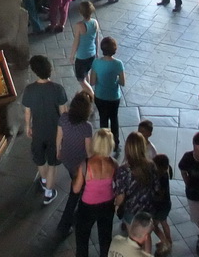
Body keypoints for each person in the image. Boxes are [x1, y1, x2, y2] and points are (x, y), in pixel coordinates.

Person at [22, 54, 69, 204]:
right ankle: (49, 193)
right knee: (53, 163)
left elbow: (27, 111)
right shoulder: (58, 89)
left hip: (38, 131)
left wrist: (28, 126)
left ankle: (43, 180)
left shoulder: (29, 89)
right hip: (55, 133)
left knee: (40, 159)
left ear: (35, 71)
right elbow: (64, 113)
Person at [72, 128, 119, 257]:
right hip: (108, 204)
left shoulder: (86, 164)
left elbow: (76, 189)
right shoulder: (113, 163)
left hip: (88, 206)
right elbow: (118, 184)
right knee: (105, 238)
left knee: (82, 237)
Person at [56, 92, 94, 234]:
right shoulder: (87, 127)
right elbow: (89, 151)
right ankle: (65, 224)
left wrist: (58, 151)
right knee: (75, 193)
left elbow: (59, 136)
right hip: (79, 164)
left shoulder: (64, 118)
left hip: (67, 158)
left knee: (76, 185)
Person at [114, 133, 160, 235]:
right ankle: (146, 251)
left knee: (134, 237)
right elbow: (156, 187)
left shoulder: (123, 171)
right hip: (148, 208)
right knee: (146, 236)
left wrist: (117, 206)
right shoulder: (151, 166)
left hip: (131, 210)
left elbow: (120, 195)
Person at [89, 37, 125, 150]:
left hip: (100, 96)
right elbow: (123, 82)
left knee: (103, 119)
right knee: (114, 119)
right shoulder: (118, 64)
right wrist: (115, 81)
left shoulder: (96, 62)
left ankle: (104, 144)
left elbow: (92, 82)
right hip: (114, 97)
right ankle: (116, 143)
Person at [70, 0, 100, 86]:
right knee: (87, 72)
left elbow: (76, 43)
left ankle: (89, 93)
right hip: (92, 54)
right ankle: (89, 89)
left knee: (81, 79)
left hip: (82, 56)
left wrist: (72, 56)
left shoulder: (79, 25)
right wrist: (97, 52)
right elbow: (96, 39)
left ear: (80, 12)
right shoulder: (95, 22)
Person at [150, 154, 173, 255]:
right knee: (164, 222)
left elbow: (160, 193)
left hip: (159, 206)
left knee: (153, 226)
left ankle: (165, 241)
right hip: (166, 205)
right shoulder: (165, 174)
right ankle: (169, 240)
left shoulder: (161, 177)